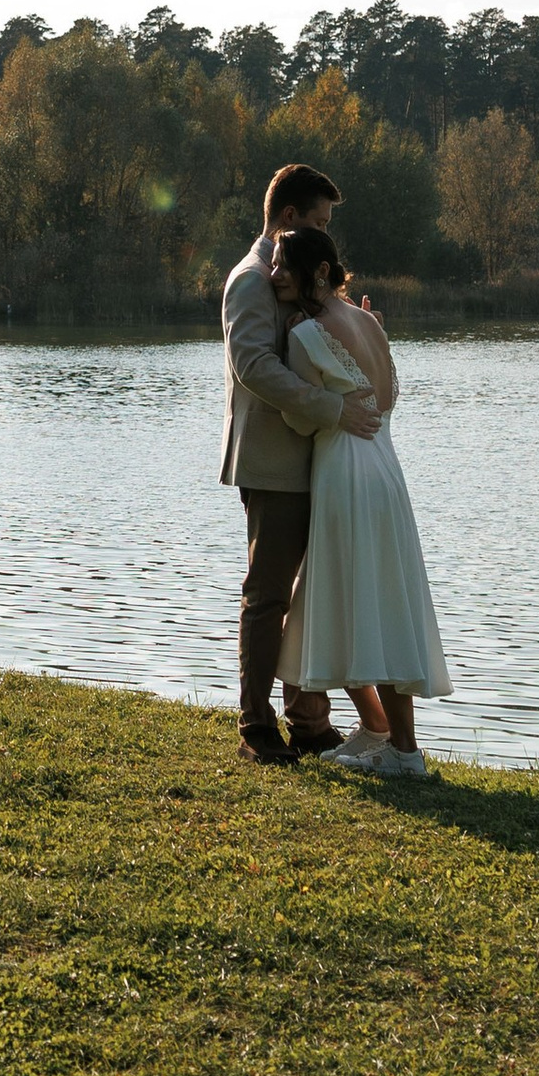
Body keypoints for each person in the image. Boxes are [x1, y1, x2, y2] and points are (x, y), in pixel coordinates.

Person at [270, 223, 452, 778]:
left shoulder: (307, 334)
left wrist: (304, 369)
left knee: (350, 600)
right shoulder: (372, 323)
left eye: (283, 265)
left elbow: (297, 417)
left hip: (346, 477)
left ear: (318, 273)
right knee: (374, 601)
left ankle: (403, 751)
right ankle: (383, 732)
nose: (274, 274)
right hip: (387, 475)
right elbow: (387, 397)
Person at [220, 160, 381, 766]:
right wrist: (332, 410)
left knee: (315, 594)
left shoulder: (296, 280)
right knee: (269, 596)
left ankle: (310, 722)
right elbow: (254, 366)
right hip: (274, 463)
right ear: (289, 215)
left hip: (320, 459)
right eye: (316, 219)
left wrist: (355, 330)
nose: (322, 233)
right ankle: (257, 726)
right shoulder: (251, 280)